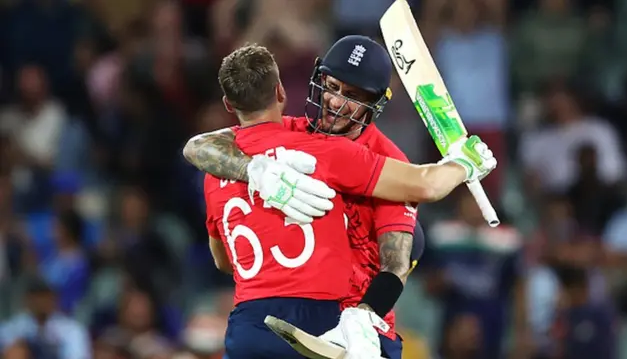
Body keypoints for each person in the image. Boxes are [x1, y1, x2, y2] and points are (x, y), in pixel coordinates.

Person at [195, 43, 496, 359]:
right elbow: (199, 147)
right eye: (332, 87)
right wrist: (253, 169)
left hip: (361, 332)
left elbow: (395, 265)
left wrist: (363, 316)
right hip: (306, 320)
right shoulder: (296, 132)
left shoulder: (389, 161)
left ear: (375, 103)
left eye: (353, 96)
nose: (336, 102)